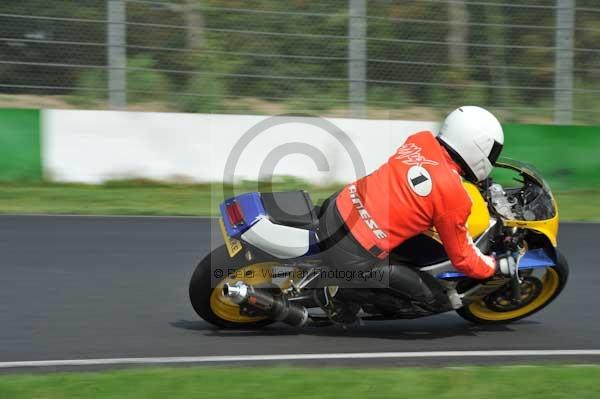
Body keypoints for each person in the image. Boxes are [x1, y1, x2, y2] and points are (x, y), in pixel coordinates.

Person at [318, 106, 515, 320]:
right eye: (492, 151)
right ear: (478, 146)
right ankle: (343, 293)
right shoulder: (453, 196)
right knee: (437, 300)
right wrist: (494, 267)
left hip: (337, 206)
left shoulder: (419, 140)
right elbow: (463, 258)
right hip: (352, 253)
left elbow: (417, 186)